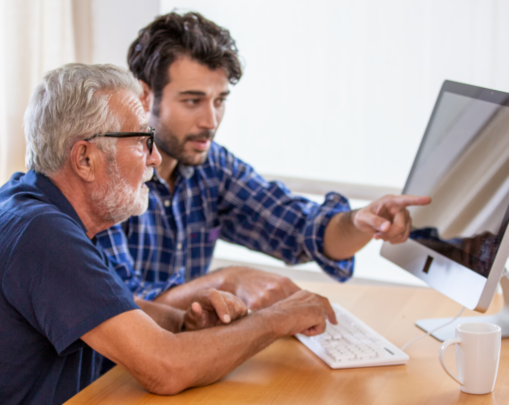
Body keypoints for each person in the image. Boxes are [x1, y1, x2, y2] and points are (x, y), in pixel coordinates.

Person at [0, 63, 338, 404]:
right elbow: (165, 370)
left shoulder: (35, 206)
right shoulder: (39, 233)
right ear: (85, 159)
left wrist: (181, 321)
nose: (154, 157)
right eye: (141, 141)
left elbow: (109, 308)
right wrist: (280, 318)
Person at [97, 12, 431, 310]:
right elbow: (124, 307)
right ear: (144, 96)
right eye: (192, 101)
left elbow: (302, 230)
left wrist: (359, 221)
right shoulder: (106, 179)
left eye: (220, 101)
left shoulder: (212, 167)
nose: (211, 120)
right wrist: (227, 281)